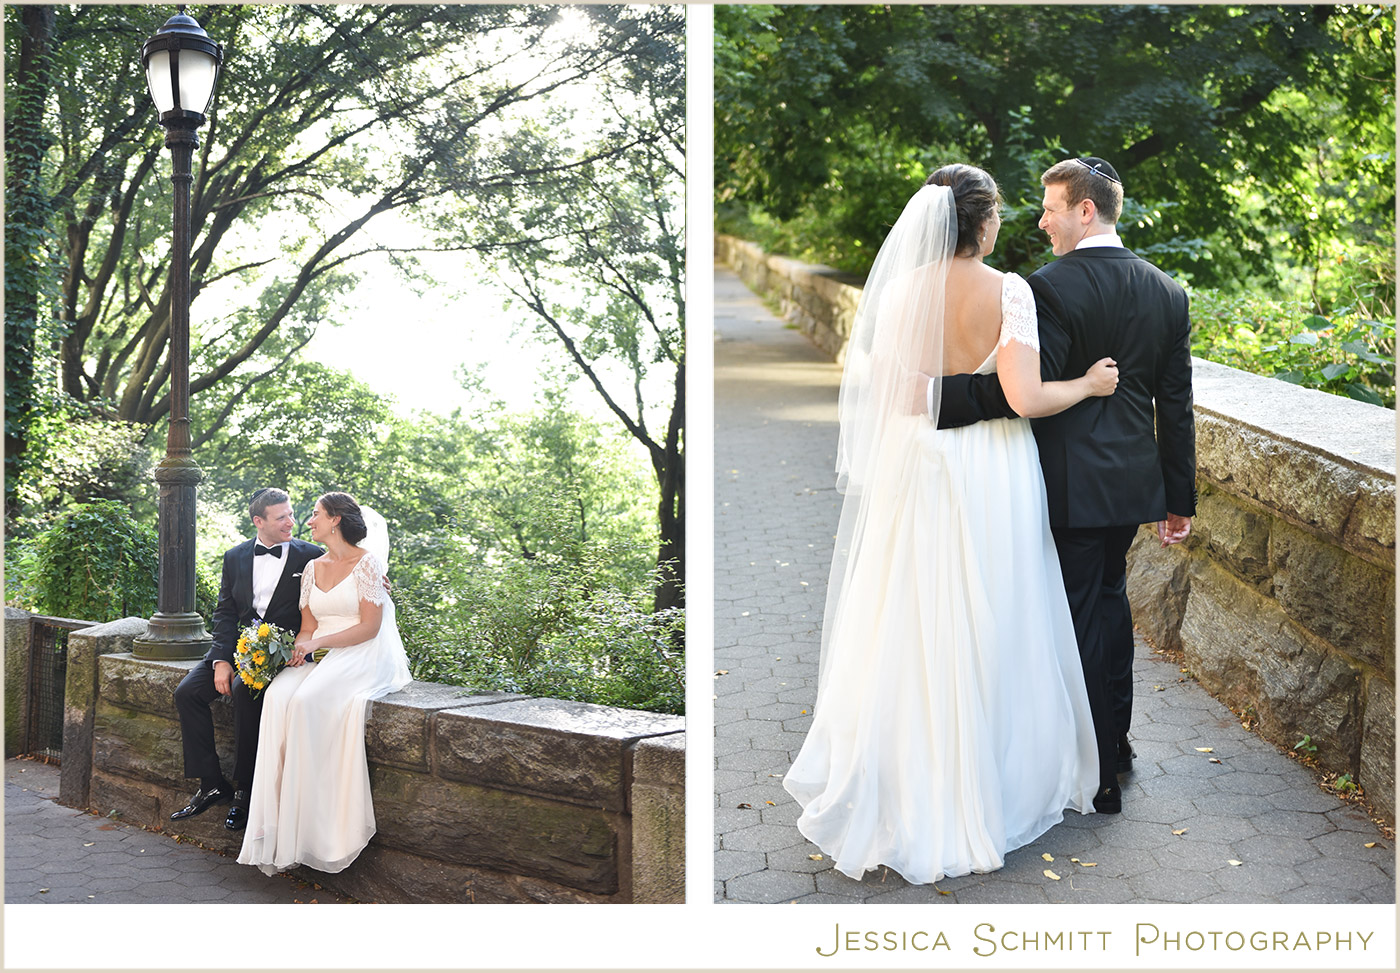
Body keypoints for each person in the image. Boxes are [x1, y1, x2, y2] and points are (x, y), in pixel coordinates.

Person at [783, 165, 1117, 885]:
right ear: (985, 222)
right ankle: (986, 784)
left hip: (915, 460)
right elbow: (1024, 398)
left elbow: (899, 393)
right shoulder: (1010, 290)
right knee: (994, 613)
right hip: (988, 467)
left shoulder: (900, 288)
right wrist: (1088, 384)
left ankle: (904, 782)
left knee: (906, 613)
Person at [935, 157, 1197, 813]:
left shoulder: (1046, 288)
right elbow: (1177, 404)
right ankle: (1119, 742)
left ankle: (1099, 770)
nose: (1042, 219)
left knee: (1080, 615)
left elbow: (1018, 394)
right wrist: (1178, 499)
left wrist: (933, 400)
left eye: (1052, 207)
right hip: (1133, 487)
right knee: (1109, 604)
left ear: (1086, 210)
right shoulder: (1168, 290)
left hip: (1067, 483)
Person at [237, 491, 412, 876]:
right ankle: (275, 822)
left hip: (360, 652)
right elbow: (308, 627)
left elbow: (369, 628)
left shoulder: (367, 564)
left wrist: (318, 644)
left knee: (305, 703)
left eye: (315, 514)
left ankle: (315, 827)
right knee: (278, 697)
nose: (308, 521)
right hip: (319, 651)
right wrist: (301, 649)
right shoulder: (313, 567)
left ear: (335, 520)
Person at [172, 488, 323, 830]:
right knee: (187, 693)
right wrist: (220, 660)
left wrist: (376, 581)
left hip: (285, 652)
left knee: (244, 693)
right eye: (281, 516)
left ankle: (246, 790)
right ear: (259, 521)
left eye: (291, 514)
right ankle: (211, 784)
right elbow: (225, 613)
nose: (291, 522)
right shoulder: (235, 556)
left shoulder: (312, 555)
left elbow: (340, 578)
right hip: (240, 646)